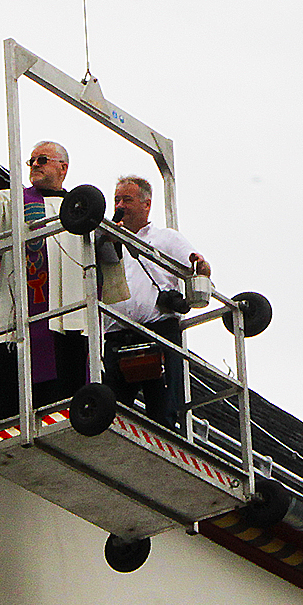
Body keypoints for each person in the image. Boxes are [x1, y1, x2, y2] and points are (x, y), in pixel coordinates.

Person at [0, 122, 123, 422]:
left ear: (63, 168)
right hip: (23, 328)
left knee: (71, 413)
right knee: (14, 414)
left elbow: (109, 265)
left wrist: (114, 238)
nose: (34, 166)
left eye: (42, 160)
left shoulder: (86, 211)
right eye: (31, 161)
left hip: (73, 326)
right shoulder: (16, 202)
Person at [102, 174, 209, 430]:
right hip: (116, 335)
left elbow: (198, 267)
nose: (120, 206)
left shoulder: (166, 238)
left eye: (127, 200)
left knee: (162, 413)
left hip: (157, 332)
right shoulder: (104, 240)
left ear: (146, 204)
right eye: (117, 200)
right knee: (111, 415)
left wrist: (202, 267)